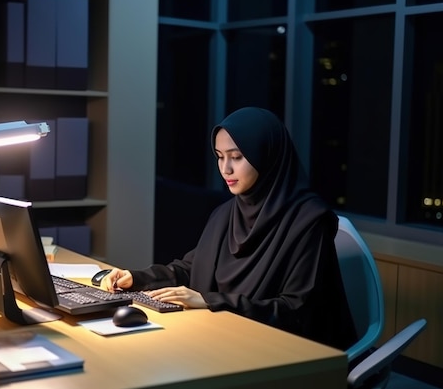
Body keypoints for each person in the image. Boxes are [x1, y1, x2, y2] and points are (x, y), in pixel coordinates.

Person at [102, 106, 357, 350]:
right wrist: (136, 278)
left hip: (288, 351)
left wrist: (209, 301)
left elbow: (297, 311)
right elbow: (191, 268)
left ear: (266, 156)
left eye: (237, 157)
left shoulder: (310, 220)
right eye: (220, 156)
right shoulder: (225, 214)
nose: (226, 168)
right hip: (227, 336)